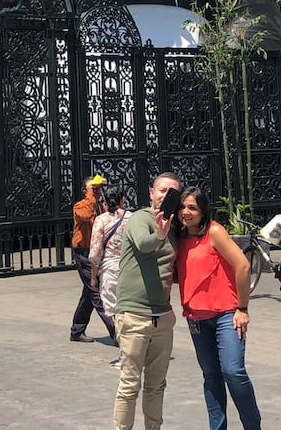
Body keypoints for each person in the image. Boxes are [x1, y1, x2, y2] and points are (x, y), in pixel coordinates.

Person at [176, 187, 261, 430]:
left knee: (233, 372)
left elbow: (243, 266)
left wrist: (242, 308)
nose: (186, 212)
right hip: (196, 317)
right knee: (211, 377)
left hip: (226, 315)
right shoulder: (179, 237)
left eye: (192, 207)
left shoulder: (214, 232)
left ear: (203, 210)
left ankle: (253, 426)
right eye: (183, 207)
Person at [112, 172, 181, 430]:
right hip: (134, 315)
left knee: (156, 385)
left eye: (172, 192)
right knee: (130, 385)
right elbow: (143, 244)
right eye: (162, 190)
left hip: (162, 317)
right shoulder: (140, 218)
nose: (165, 195)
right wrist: (160, 235)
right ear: (152, 193)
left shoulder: (175, 227)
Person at [70, 174, 115, 343]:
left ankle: (77, 330)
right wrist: (91, 197)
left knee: (89, 293)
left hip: (97, 251)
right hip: (84, 252)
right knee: (96, 292)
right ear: (85, 191)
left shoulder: (101, 207)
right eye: (93, 189)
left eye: (99, 189)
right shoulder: (81, 205)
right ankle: (116, 332)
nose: (97, 192)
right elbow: (84, 215)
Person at [89, 186, 132, 327]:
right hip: (130, 268)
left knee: (115, 310)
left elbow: (96, 252)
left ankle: (122, 337)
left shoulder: (101, 220)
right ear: (123, 199)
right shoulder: (132, 218)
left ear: (105, 202)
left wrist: (93, 276)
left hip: (110, 269)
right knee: (131, 308)